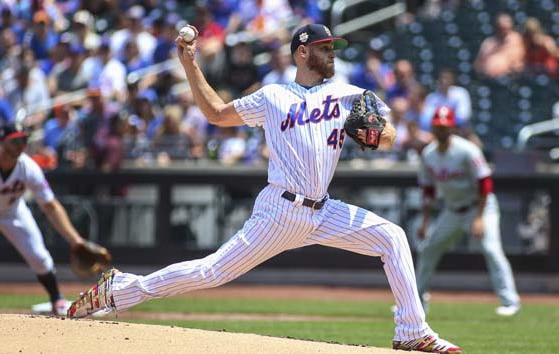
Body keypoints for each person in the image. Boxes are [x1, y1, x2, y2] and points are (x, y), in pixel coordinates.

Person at [67, 23, 462, 353]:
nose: (332, 53)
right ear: (302, 52)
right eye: (325, 47)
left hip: (323, 210)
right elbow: (216, 115)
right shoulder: (273, 96)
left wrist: (377, 133)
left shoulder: (347, 95)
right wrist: (190, 64)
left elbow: (390, 136)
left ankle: (411, 331)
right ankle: (122, 289)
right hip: (280, 210)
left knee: (392, 237)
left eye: (333, 47)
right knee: (210, 272)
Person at [415, 106, 521, 317]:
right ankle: (416, 300)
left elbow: (485, 183)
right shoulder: (428, 154)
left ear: (453, 128)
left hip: (480, 207)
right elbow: (428, 191)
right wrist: (425, 222)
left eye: (445, 127)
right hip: (453, 210)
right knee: (428, 249)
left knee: (491, 250)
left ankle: (510, 302)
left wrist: (480, 218)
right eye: (438, 127)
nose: (441, 131)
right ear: (433, 129)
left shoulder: (467, 150)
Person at [0, 123, 94, 315]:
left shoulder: (29, 168)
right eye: (15, 140)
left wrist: (75, 240)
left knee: (39, 257)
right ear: (1, 141)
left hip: (12, 211)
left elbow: (50, 206)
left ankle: (57, 299)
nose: (20, 144)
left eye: (23, 140)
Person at [473, 13, 525, 78]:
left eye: (506, 28)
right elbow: (478, 64)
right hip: (489, 79)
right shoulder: (489, 42)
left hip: (509, 78)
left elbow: (520, 62)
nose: (503, 31)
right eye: (501, 28)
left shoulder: (517, 40)